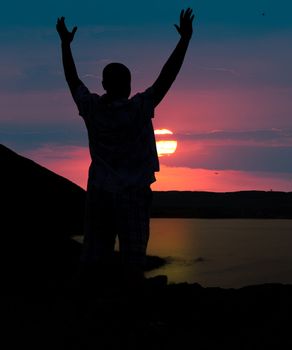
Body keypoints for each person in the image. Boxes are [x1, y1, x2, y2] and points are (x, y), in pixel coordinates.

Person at [57, 8, 194, 289]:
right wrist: (184, 40)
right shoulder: (139, 108)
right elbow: (166, 78)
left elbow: (73, 81)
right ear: (128, 86)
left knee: (94, 256)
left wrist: (65, 45)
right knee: (133, 259)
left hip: (99, 193)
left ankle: (89, 311)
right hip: (132, 194)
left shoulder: (92, 108)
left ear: (105, 84)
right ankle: (132, 315)